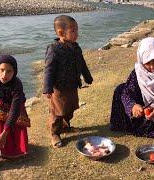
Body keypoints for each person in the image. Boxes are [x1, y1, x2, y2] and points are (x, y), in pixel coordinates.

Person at [43, 15, 93, 148]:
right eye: (73, 31)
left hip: (72, 84)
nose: (77, 34)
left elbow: (82, 63)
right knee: (57, 112)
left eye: (77, 30)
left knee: (70, 108)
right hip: (58, 87)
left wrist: (87, 76)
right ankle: (54, 133)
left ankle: (65, 126)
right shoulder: (54, 49)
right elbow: (48, 69)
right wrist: (47, 88)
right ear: (60, 33)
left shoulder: (76, 47)